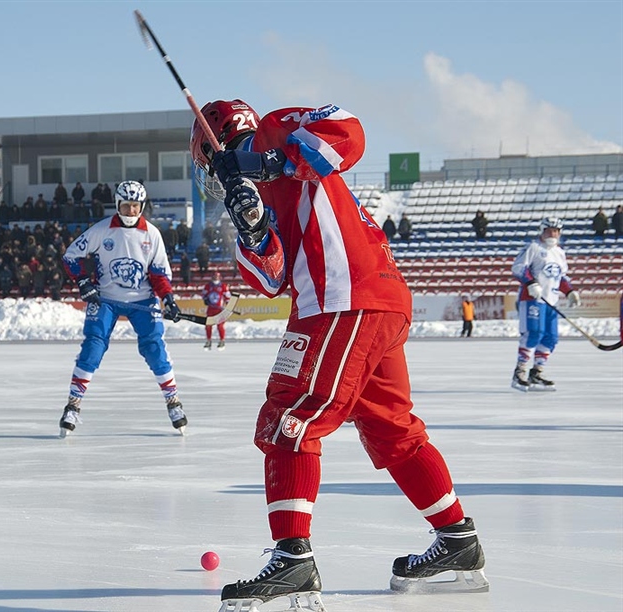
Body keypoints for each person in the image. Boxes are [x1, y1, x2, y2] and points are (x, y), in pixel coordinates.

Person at [190, 99, 488, 608]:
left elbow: (349, 130)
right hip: (376, 302)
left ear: (212, 148)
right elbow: (269, 277)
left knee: (291, 413)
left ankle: (293, 559)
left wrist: (266, 162)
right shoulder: (250, 197)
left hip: (342, 297)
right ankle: (457, 539)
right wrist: (256, 226)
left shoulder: (277, 128)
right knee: (393, 429)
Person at [59, 180, 186, 437]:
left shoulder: (151, 234)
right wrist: (84, 282)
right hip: (106, 298)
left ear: (142, 206)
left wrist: (168, 299)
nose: (130, 211)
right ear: (117, 204)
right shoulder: (102, 230)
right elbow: (71, 256)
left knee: (154, 348)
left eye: (135, 206)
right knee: (93, 346)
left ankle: (173, 400)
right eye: (125, 206)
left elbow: (159, 274)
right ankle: (73, 405)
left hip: (143, 300)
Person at [510, 217, 580, 392]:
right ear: (542, 231)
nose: (553, 234)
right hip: (533, 299)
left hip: (551, 302)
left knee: (550, 338)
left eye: (556, 231)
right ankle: (520, 372)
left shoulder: (559, 253)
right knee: (534, 333)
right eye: (549, 230)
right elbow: (519, 267)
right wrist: (531, 283)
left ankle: (537, 372)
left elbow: (561, 277)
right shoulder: (534, 248)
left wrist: (570, 291)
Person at [201, 271, 231, 350]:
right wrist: (205, 299)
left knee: (220, 326)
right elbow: (204, 294)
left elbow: (227, 296)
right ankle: (208, 340)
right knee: (208, 326)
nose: (215, 278)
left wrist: (227, 304)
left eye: (217, 277)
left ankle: (222, 341)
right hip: (211, 309)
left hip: (219, 310)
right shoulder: (208, 286)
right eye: (214, 276)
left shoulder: (223, 286)